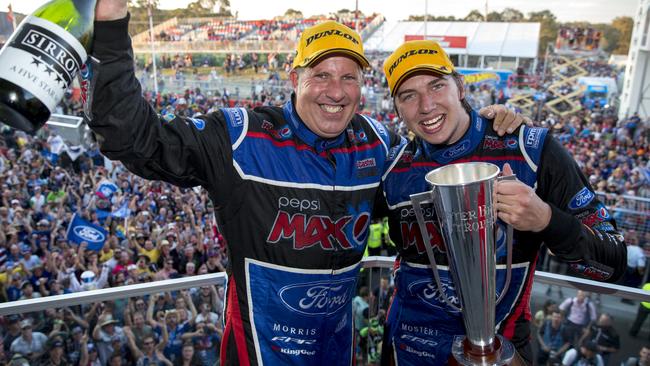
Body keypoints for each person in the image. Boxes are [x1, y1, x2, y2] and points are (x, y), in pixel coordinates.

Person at [91, 2, 523, 365]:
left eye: (349, 77)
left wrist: (484, 126)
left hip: (337, 349)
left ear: (361, 87)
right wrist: (111, 26)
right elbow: (131, 137)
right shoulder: (240, 137)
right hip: (260, 351)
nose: (335, 91)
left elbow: (433, 170)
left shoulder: (376, 144)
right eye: (321, 74)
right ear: (293, 77)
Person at [378, 40, 627, 365]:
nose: (426, 105)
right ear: (396, 108)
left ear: (461, 87)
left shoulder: (531, 150)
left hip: (500, 350)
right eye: (408, 95)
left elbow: (612, 267)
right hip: (407, 349)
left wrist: (547, 220)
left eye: (437, 86)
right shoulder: (393, 166)